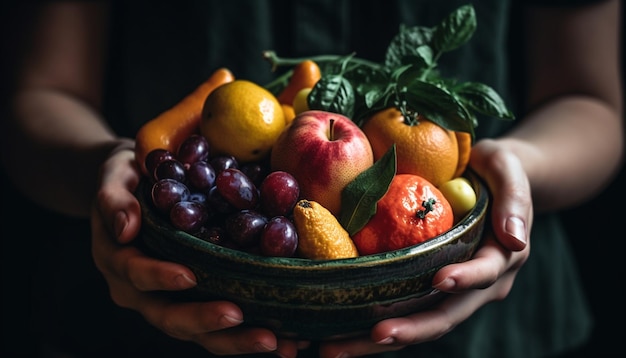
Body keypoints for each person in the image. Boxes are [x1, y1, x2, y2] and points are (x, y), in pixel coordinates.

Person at [0, 0, 622, 357]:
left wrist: (520, 171)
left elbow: (590, 102)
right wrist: (101, 168)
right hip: (139, 327)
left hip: (493, 335)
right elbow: (38, 94)